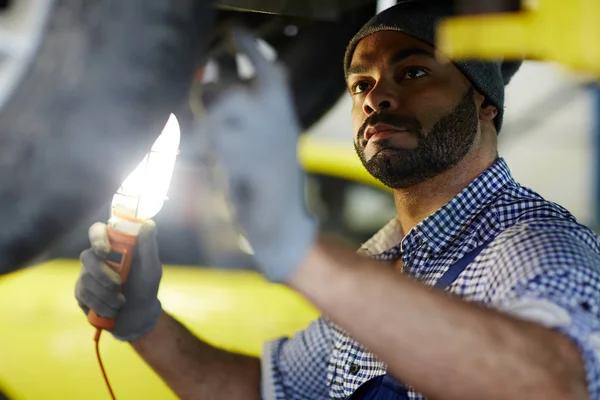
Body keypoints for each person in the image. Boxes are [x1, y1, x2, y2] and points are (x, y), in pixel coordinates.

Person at [75, 2, 600, 399]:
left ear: (483, 102)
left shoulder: (535, 245)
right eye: (359, 84)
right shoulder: (385, 262)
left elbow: (558, 382)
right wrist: (144, 322)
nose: (376, 97)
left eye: (413, 71)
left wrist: (299, 249)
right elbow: (263, 391)